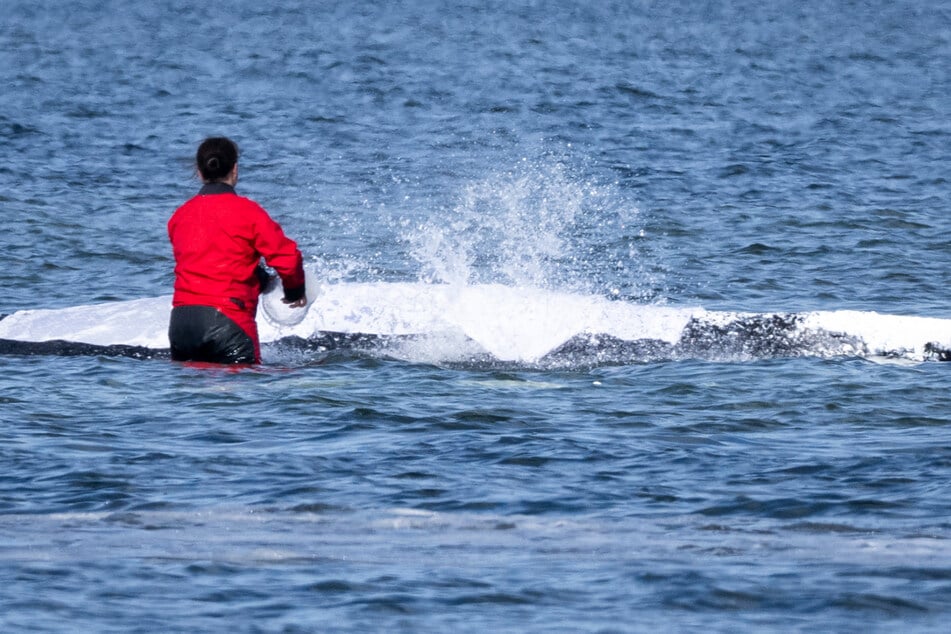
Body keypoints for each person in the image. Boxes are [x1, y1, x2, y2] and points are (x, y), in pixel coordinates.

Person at [167, 137, 306, 364]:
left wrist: (261, 279)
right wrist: (294, 291)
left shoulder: (179, 216)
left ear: (199, 172)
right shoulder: (248, 212)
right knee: (243, 395)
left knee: (192, 396)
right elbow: (288, 259)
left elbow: (212, 261)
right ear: (235, 169)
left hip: (181, 324)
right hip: (228, 322)